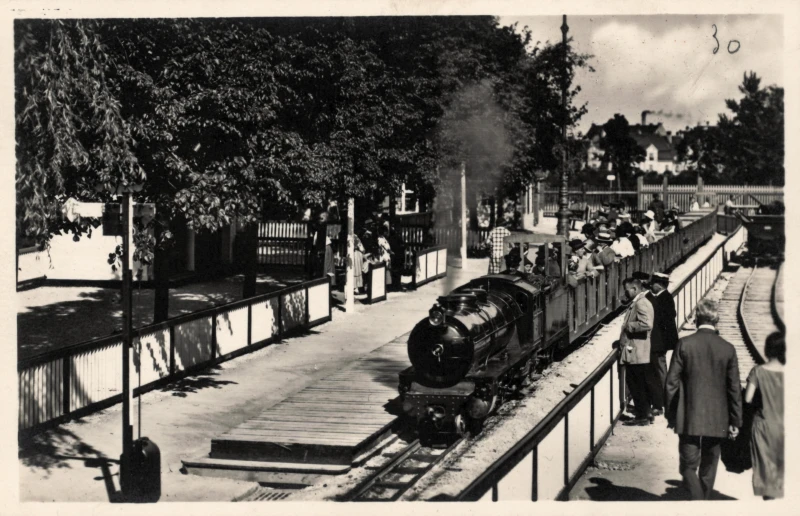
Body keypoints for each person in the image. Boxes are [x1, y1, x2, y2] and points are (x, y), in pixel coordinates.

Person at [665, 299, 743, 501]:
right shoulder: (728, 348)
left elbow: (671, 383)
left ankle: (697, 500)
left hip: (688, 415)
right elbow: (734, 388)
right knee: (709, 464)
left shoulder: (684, 344)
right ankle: (703, 501)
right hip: (718, 417)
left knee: (688, 465)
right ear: (716, 320)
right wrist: (735, 421)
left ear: (697, 318)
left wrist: (671, 414)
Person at [744, 332, 784, 500]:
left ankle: (769, 499)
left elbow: (748, 398)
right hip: (783, 426)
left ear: (767, 349)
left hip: (763, 426)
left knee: (765, 469)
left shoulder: (758, 371)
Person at [618, 278, 655, 425]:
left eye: (627, 290)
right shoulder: (640, 302)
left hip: (637, 351)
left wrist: (629, 327)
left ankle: (642, 417)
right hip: (638, 350)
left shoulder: (641, 303)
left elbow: (647, 324)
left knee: (636, 385)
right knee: (640, 384)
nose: (625, 293)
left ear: (634, 289)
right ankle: (646, 414)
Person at [645, 272, 678, 418]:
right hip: (659, 342)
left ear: (659, 285)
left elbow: (663, 320)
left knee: (660, 371)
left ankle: (664, 401)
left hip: (660, 342)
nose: (651, 286)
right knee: (659, 370)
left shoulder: (665, 298)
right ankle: (662, 400)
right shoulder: (662, 297)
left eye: (653, 284)